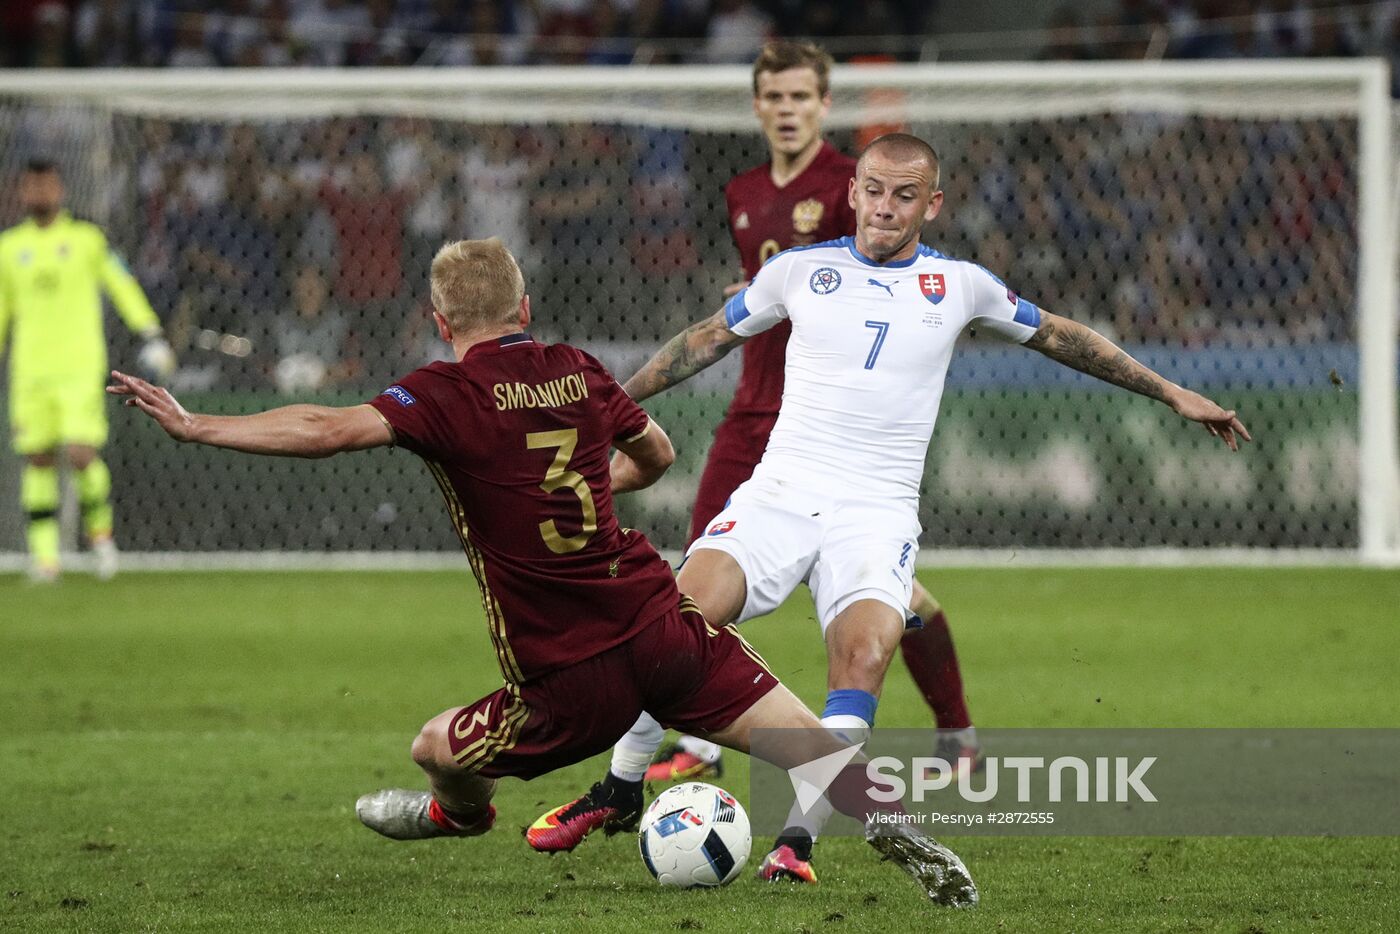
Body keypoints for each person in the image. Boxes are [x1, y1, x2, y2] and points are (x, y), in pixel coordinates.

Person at [107, 237, 980, 907]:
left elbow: (322, 428)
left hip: (565, 680)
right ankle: (896, 827)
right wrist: (591, 488)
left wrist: (198, 426)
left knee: (434, 749)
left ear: (442, 323)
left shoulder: (442, 394)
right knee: (813, 748)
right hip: (662, 626)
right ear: (525, 304)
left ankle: (460, 813)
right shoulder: (576, 368)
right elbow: (660, 452)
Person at [529, 133, 1251, 883]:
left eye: (905, 194)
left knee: (866, 654)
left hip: (876, 513)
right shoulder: (799, 272)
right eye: (873, 189)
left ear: (931, 203)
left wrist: (1170, 390)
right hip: (780, 493)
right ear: (853, 192)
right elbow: (705, 339)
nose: (885, 205)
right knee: (673, 624)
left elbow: (1060, 335)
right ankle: (616, 789)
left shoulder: (961, 285)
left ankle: (796, 844)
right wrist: (607, 405)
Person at [643, 40, 985, 788]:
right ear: (758, 105)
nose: (789, 111)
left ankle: (956, 730)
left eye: (803, 98)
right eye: (776, 97)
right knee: (699, 584)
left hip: (833, 430)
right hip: (751, 417)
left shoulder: (850, 186)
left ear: (825, 105)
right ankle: (700, 743)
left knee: (900, 602)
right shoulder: (740, 191)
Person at [0, 158, 176, 582]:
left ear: (60, 190)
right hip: (30, 372)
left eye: (47, 185)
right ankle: (45, 560)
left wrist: (149, 330)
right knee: (37, 458)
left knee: (81, 454)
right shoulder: (8, 247)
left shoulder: (87, 240)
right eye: (32, 185)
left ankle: (101, 540)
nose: (40, 193)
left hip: (78, 367)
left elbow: (121, 284)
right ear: (22, 192)